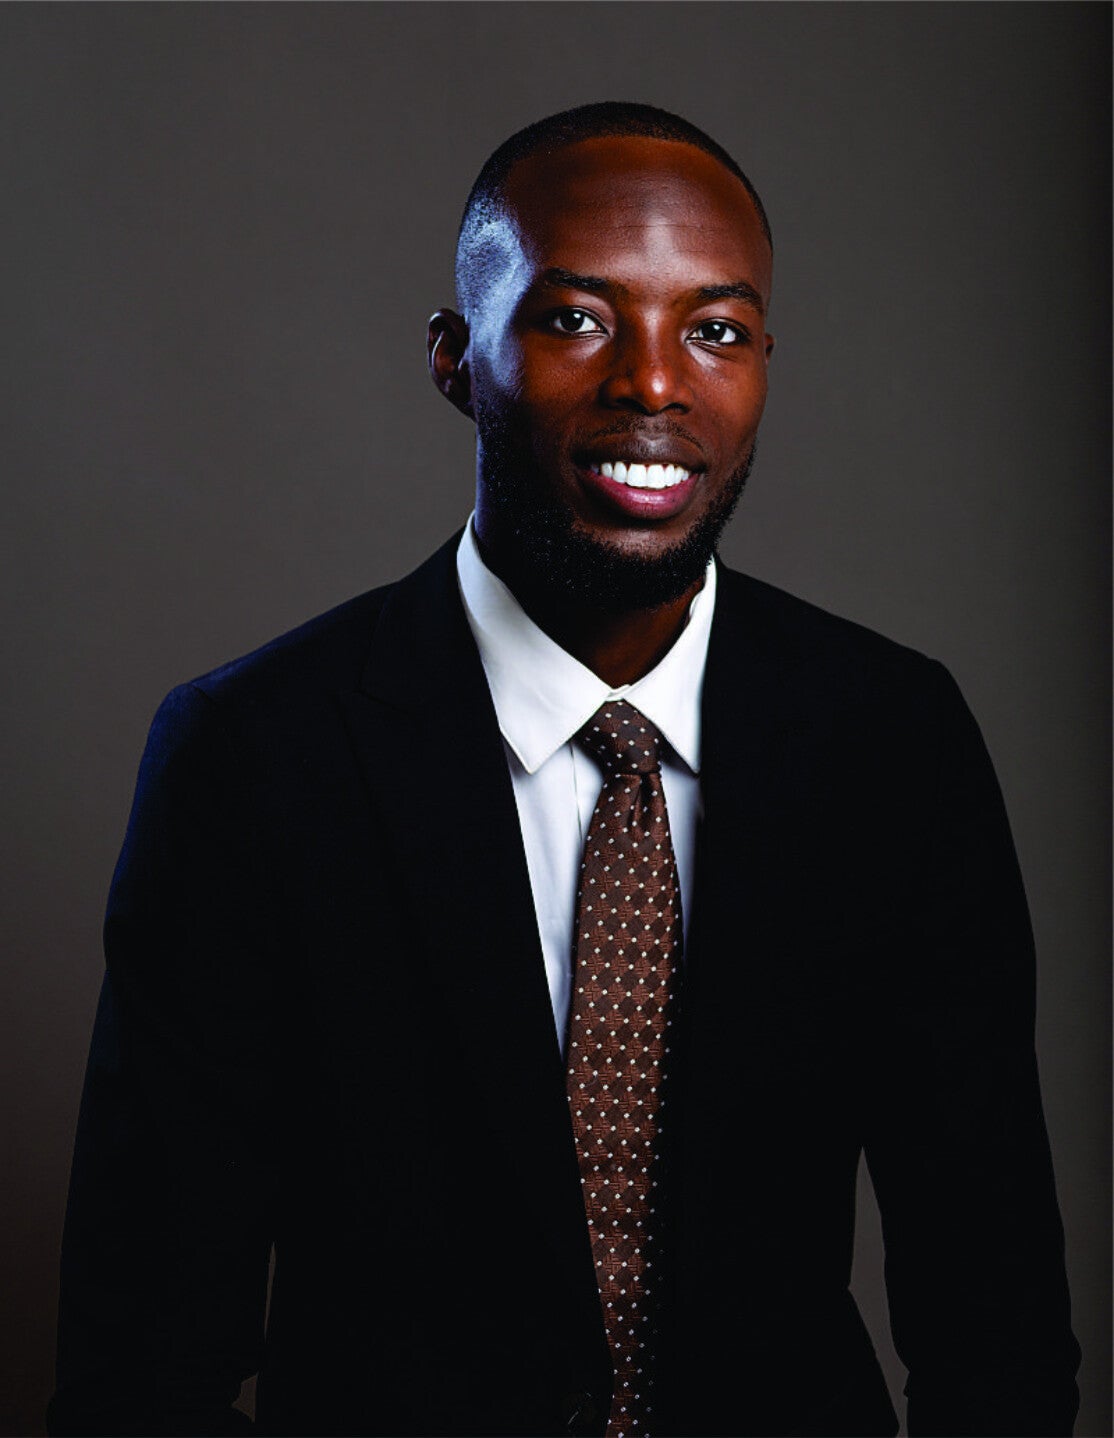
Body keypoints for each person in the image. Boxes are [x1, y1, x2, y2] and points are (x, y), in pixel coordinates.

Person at [49, 102, 1080, 1438]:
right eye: (577, 318)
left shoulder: (893, 742)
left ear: (764, 362)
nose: (653, 383)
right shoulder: (253, 758)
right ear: (455, 358)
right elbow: (141, 1365)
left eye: (714, 330)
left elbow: (993, 1319)